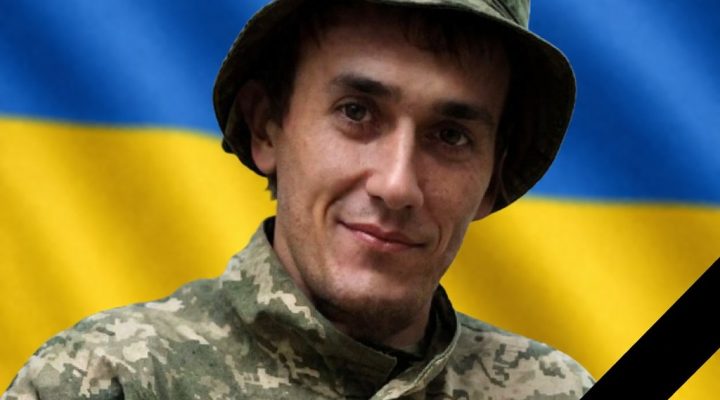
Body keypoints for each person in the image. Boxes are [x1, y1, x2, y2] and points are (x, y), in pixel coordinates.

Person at [3, 0, 595, 398]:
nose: (396, 185)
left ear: (493, 179)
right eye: (356, 112)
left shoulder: (551, 391)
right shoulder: (106, 381)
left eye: (451, 136)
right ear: (267, 127)